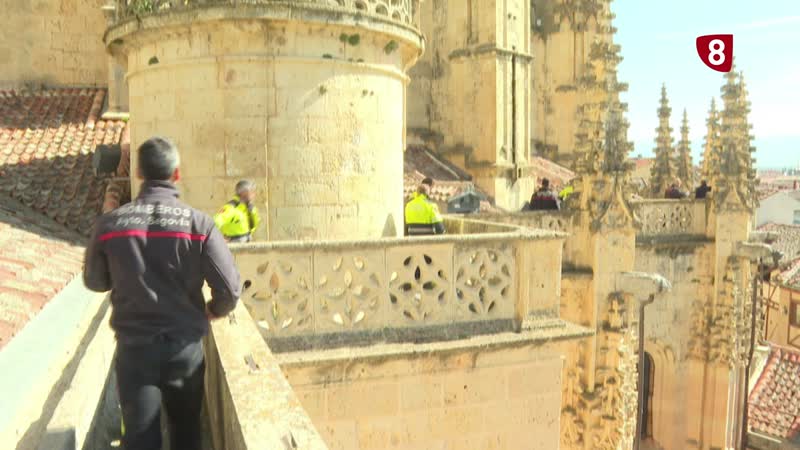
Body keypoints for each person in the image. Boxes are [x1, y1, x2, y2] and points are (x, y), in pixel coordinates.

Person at [83, 137, 241, 450]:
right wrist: (213, 311)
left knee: (140, 439)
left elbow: (95, 281)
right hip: (185, 351)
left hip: (135, 351)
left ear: (139, 173)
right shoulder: (200, 225)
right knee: (186, 433)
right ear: (177, 174)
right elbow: (229, 290)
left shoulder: (110, 225)